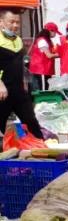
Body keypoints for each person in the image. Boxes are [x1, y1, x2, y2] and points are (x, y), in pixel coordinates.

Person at [0, 8, 44, 140]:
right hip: (2, 92)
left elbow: (23, 64)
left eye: (17, 22)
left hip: (19, 90)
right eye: (11, 22)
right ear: (1, 22)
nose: (15, 25)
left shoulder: (18, 40)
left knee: (31, 121)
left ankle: (42, 148)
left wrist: (26, 82)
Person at [28, 22, 59, 91]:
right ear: (50, 30)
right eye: (55, 32)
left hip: (45, 69)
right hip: (41, 69)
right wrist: (60, 54)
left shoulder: (47, 40)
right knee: (43, 89)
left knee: (45, 87)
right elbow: (49, 55)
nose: (55, 34)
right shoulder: (42, 41)